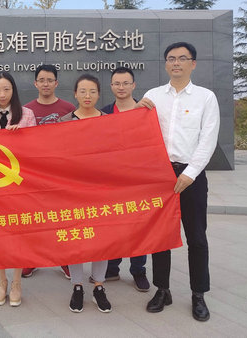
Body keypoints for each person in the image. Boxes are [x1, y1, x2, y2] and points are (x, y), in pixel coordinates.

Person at [137, 42, 219, 322]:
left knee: (196, 237)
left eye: (182, 58)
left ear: (192, 64)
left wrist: (190, 172)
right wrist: (136, 110)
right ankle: (163, 290)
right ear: (165, 63)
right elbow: (138, 131)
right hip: (159, 176)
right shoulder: (153, 96)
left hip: (190, 176)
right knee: (160, 236)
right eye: (171, 58)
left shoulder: (205, 97)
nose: (176, 63)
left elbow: (208, 139)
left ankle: (198, 294)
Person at [59, 74, 112, 314]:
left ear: (99, 94)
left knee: (101, 238)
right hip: (73, 190)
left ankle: (99, 285)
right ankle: (77, 285)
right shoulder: (64, 121)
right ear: (75, 94)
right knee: (76, 237)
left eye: (92, 91)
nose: (87, 96)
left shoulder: (108, 121)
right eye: (82, 91)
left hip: (101, 189)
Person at [93, 67, 150, 292]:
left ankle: (138, 270)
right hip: (112, 180)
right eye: (117, 83)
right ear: (111, 87)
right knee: (113, 223)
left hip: (138, 178)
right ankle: (112, 267)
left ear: (133, 85)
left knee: (138, 226)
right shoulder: (104, 113)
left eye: (126, 83)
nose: (121, 87)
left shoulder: (145, 110)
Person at [0, 72, 37, 307]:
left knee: (18, 232)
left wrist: (22, 137)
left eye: (6, 89)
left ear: (13, 90)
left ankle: (16, 282)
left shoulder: (27, 114)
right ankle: (1, 281)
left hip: (19, 184)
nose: (2, 94)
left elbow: (36, 148)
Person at [23, 64, 75, 279]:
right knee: (35, 218)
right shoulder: (25, 110)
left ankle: (64, 259)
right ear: (35, 83)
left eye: (50, 80)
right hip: (33, 173)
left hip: (60, 173)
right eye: (42, 80)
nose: (46, 84)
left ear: (56, 83)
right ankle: (32, 259)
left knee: (62, 218)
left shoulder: (69, 108)